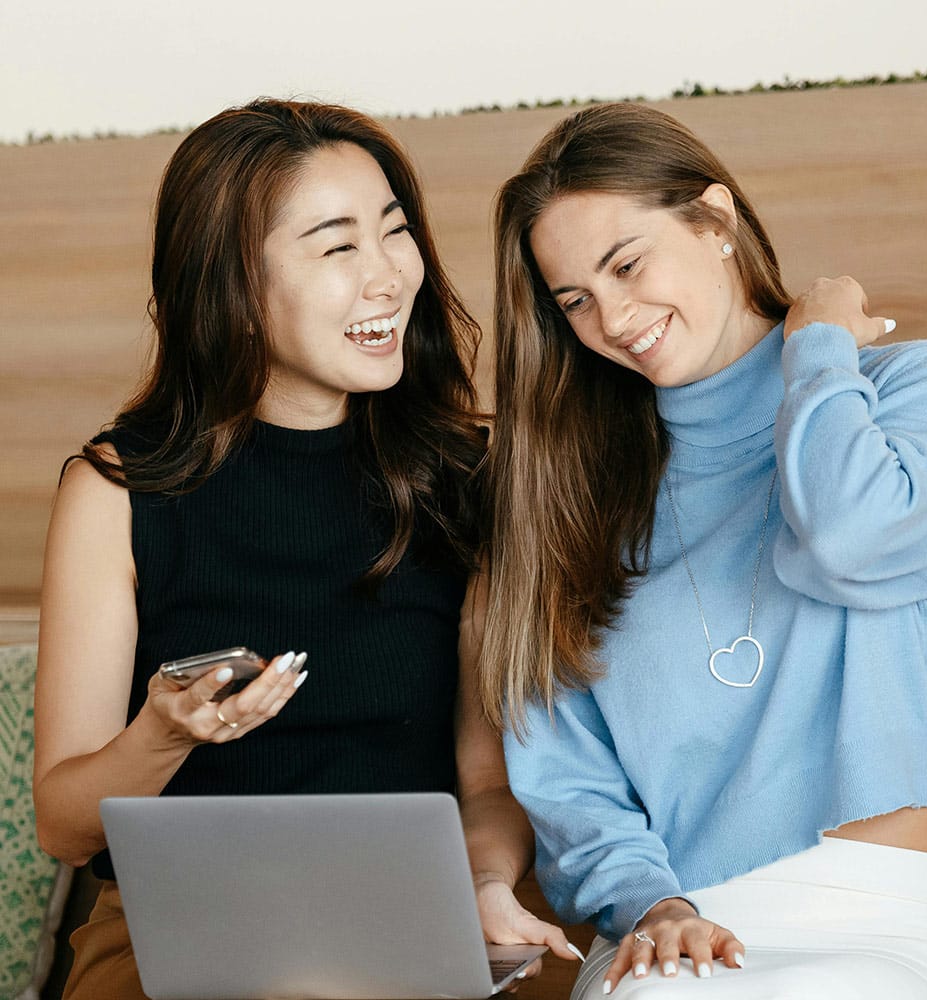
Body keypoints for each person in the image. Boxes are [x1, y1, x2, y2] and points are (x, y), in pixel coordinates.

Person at [32, 98, 577, 999]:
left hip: (418, 907)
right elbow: (64, 827)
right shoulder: (115, 491)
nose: (389, 278)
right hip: (187, 926)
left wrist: (480, 884)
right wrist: (163, 738)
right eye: (336, 247)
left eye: (394, 232)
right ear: (234, 289)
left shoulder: (470, 477)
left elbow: (488, 782)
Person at [481, 102, 927, 999]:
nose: (613, 316)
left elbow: (849, 542)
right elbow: (567, 779)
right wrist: (650, 907)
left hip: (878, 916)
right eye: (575, 301)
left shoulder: (906, 387)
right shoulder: (570, 492)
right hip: (666, 932)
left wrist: (818, 350)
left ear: (715, 219)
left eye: (627, 264)